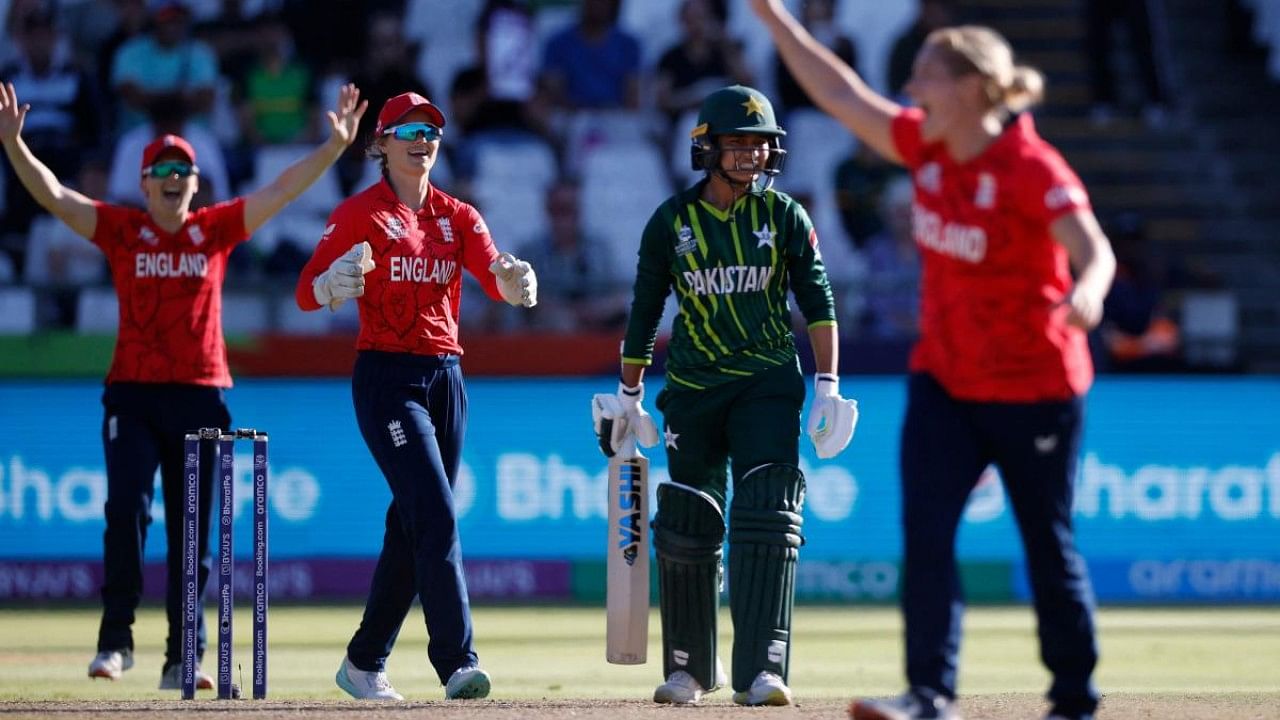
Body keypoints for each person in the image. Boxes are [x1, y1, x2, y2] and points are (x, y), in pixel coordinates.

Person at [751, 2, 1118, 719]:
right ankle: (929, 692)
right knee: (926, 533)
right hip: (945, 378)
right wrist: (772, 16)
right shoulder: (928, 144)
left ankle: (1074, 696)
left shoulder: (1028, 165)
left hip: (1035, 385)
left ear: (973, 88)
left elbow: (1093, 250)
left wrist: (1091, 292)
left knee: (1047, 540)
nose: (911, 89)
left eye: (925, 75)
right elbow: (838, 94)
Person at [0, 80, 368, 690]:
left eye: (184, 170)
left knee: (192, 534)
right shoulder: (121, 229)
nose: (174, 177)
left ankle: (183, 658)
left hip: (201, 394)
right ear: (143, 183)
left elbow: (279, 190)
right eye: (162, 169)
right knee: (126, 513)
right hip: (134, 394)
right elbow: (57, 196)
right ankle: (115, 643)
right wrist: (13, 146)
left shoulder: (215, 230)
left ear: (196, 183)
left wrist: (333, 147)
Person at [591, 84, 858, 707]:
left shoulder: (786, 215)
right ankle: (688, 667)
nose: (749, 156)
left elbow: (817, 299)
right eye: (735, 144)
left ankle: (764, 668)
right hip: (691, 387)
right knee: (688, 520)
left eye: (759, 145)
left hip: (767, 380)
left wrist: (828, 385)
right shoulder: (672, 222)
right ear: (706, 148)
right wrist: (628, 393)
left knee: (768, 512)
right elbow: (645, 308)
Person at [295, 91, 538, 702]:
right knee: (434, 513)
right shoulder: (359, 213)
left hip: (446, 378)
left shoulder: (459, 216)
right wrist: (329, 285)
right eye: (409, 130)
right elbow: (305, 291)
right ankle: (458, 662)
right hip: (387, 378)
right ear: (380, 144)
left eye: (432, 130)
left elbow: (494, 274)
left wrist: (514, 282)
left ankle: (363, 662)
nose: (423, 140)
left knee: (412, 526)